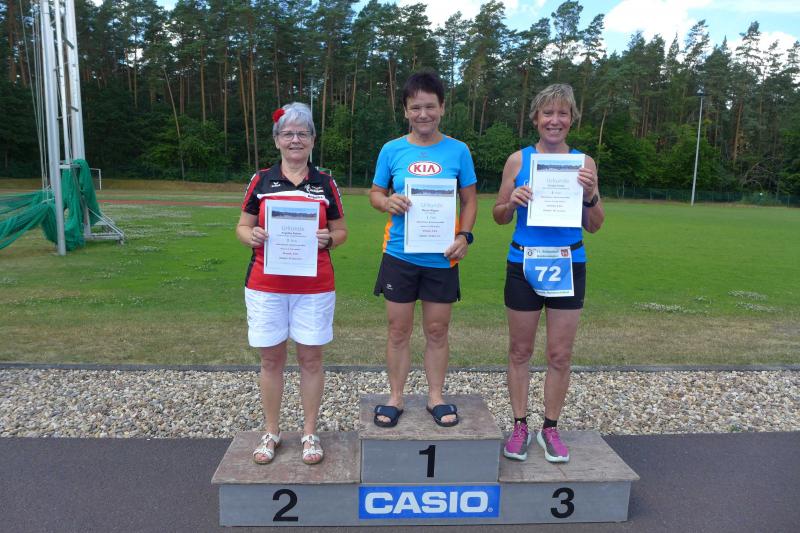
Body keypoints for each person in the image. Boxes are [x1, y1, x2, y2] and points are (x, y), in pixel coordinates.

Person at [493, 84, 604, 463]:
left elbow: (595, 225)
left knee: (559, 354)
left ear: (572, 119)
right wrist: (512, 202)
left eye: (562, 113)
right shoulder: (517, 160)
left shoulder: (584, 163)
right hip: (524, 262)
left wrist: (590, 196)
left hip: (568, 263)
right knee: (520, 351)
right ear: (535, 118)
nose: (554, 120)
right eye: (548, 113)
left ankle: (550, 428)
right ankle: (519, 425)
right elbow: (498, 215)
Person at [236, 102, 347, 465]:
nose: (295, 139)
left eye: (302, 133)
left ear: (313, 139)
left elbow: (341, 231)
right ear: (277, 140)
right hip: (266, 285)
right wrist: (251, 235)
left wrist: (328, 239)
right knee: (271, 359)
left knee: (311, 359)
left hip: (314, 287)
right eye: (288, 133)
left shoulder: (325, 182)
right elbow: (242, 226)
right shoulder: (261, 180)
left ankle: (309, 433)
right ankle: (271, 431)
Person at [369, 70, 478, 428]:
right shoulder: (391, 149)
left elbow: (469, 200)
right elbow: (375, 193)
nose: (423, 114)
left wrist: (464, 236)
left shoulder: (458, 150)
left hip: (442, 257)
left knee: (436, 330)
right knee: (397, 330)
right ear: (405, 110)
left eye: (430, 106)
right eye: (415, 107)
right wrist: (386, 202)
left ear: (442, 107)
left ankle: (435, 397)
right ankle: (395, 397)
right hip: (399, 255)